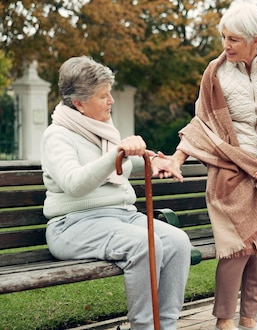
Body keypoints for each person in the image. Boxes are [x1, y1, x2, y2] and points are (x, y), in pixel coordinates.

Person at [166, 3, 257, 330]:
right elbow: (202, 123)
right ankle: (224, 321)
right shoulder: (215, 73)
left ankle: (249, 318)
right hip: (229, 175)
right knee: (236, 251)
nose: (226, 45)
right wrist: (177, 157)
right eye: (224, 37)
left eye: (234, 40)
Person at [41, 56, 192, 330]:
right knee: (145, 244)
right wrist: (116, 154)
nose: (111, 100)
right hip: (73, 225)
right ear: (79, 104)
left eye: (110, 93)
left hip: (120, 217)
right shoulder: (57, 135)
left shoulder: (99, 129)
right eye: (103, 96)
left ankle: (166, 326)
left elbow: (120, 161)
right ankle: (145, 327)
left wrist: (152, 160)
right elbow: (74, 183)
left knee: (178, 242)